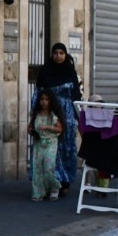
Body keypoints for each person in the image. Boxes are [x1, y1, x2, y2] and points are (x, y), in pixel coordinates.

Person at [36, 43, 82, 197]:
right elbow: (38, 93)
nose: (58, 56)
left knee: (66, 148)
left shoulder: (70, 72)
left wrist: (78, 116)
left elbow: (76, 96)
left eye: (61, 53)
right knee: (51, 150)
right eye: (55, 52)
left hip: (67, 115)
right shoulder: (45, 71)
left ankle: (65, 182)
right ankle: (52, 181)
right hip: (50, 114)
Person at [28, 88, 62, 201]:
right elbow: (30, 127)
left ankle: (55, 187)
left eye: (46, 99)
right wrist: (32, 130)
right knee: (37, 168)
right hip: (38, 143)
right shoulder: (36, 114)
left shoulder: (53, 115)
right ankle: (39, 192)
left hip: (51, 142)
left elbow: (59, 129)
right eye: (42, 99)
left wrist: (47, 127)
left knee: (48, 167)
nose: (44, 102)